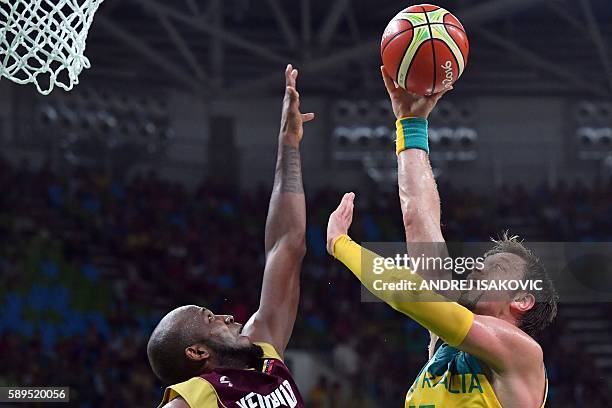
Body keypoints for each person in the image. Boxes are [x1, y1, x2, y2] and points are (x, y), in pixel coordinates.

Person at [324, 67, 558, 407]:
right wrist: (410, 123)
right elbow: (418, 217)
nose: (477, 268)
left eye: (495, 269)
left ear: (522, 300)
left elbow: (411, 294)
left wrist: (340, 245)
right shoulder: (447, 344)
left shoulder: (521, 353)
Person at [147, 64, 314, 408]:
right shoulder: (196, 396)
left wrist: (289, 145)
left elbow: (288, 243)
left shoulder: (266, 353)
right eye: (210, 319)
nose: (227, 316)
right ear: (197, 352)